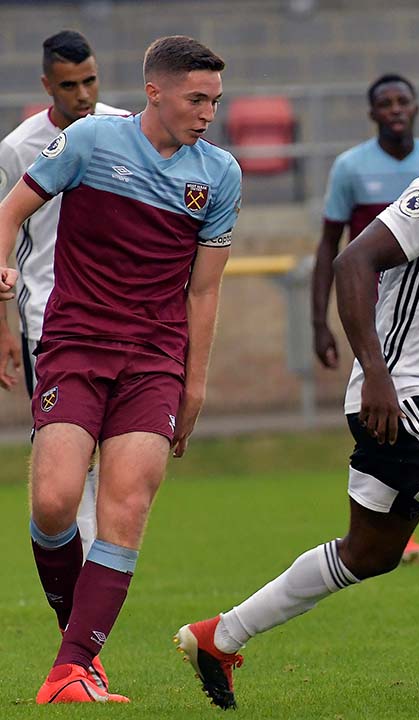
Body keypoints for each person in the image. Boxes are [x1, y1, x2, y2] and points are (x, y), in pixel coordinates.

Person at [175, 85, 419, 708]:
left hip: (406, 396)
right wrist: (377, 373)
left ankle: (218, 638)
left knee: (370, 553)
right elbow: (354, 261)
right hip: (408, 404)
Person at [0, 35, 240, 703]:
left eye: (215, 101)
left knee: (124, 510)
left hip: (154, 360)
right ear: (154, 91)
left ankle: (71, 670)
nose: (207, 113)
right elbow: (11, 211)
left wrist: (193, 386)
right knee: (53, 506)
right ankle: (73, 635)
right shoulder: (89, 144)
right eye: (196, 99)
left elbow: (204, 290)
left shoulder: (220, 173)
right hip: (75, 343)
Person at [0, 29, 128, 692]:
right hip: (50, 322)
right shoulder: (19, 148)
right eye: (68, 85)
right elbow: (7, 235)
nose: (82, 96)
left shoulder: (122, 130)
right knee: (66, 480)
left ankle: (80, 643)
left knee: (115, 477)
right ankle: (76, 647)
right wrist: (3, 328)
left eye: (90, 82)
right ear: (46, 85)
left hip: (125, 325)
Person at [313, 73, 419, 564]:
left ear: (416, 107)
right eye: (385, 103)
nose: (395, 109)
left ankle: (389, 529)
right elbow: (331, 246)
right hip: (371, 318)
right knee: (383, 415)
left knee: (411, 417)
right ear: (372, 113)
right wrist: (319, 322)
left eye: (402, 101)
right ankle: (390, 529)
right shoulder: (351, 167)